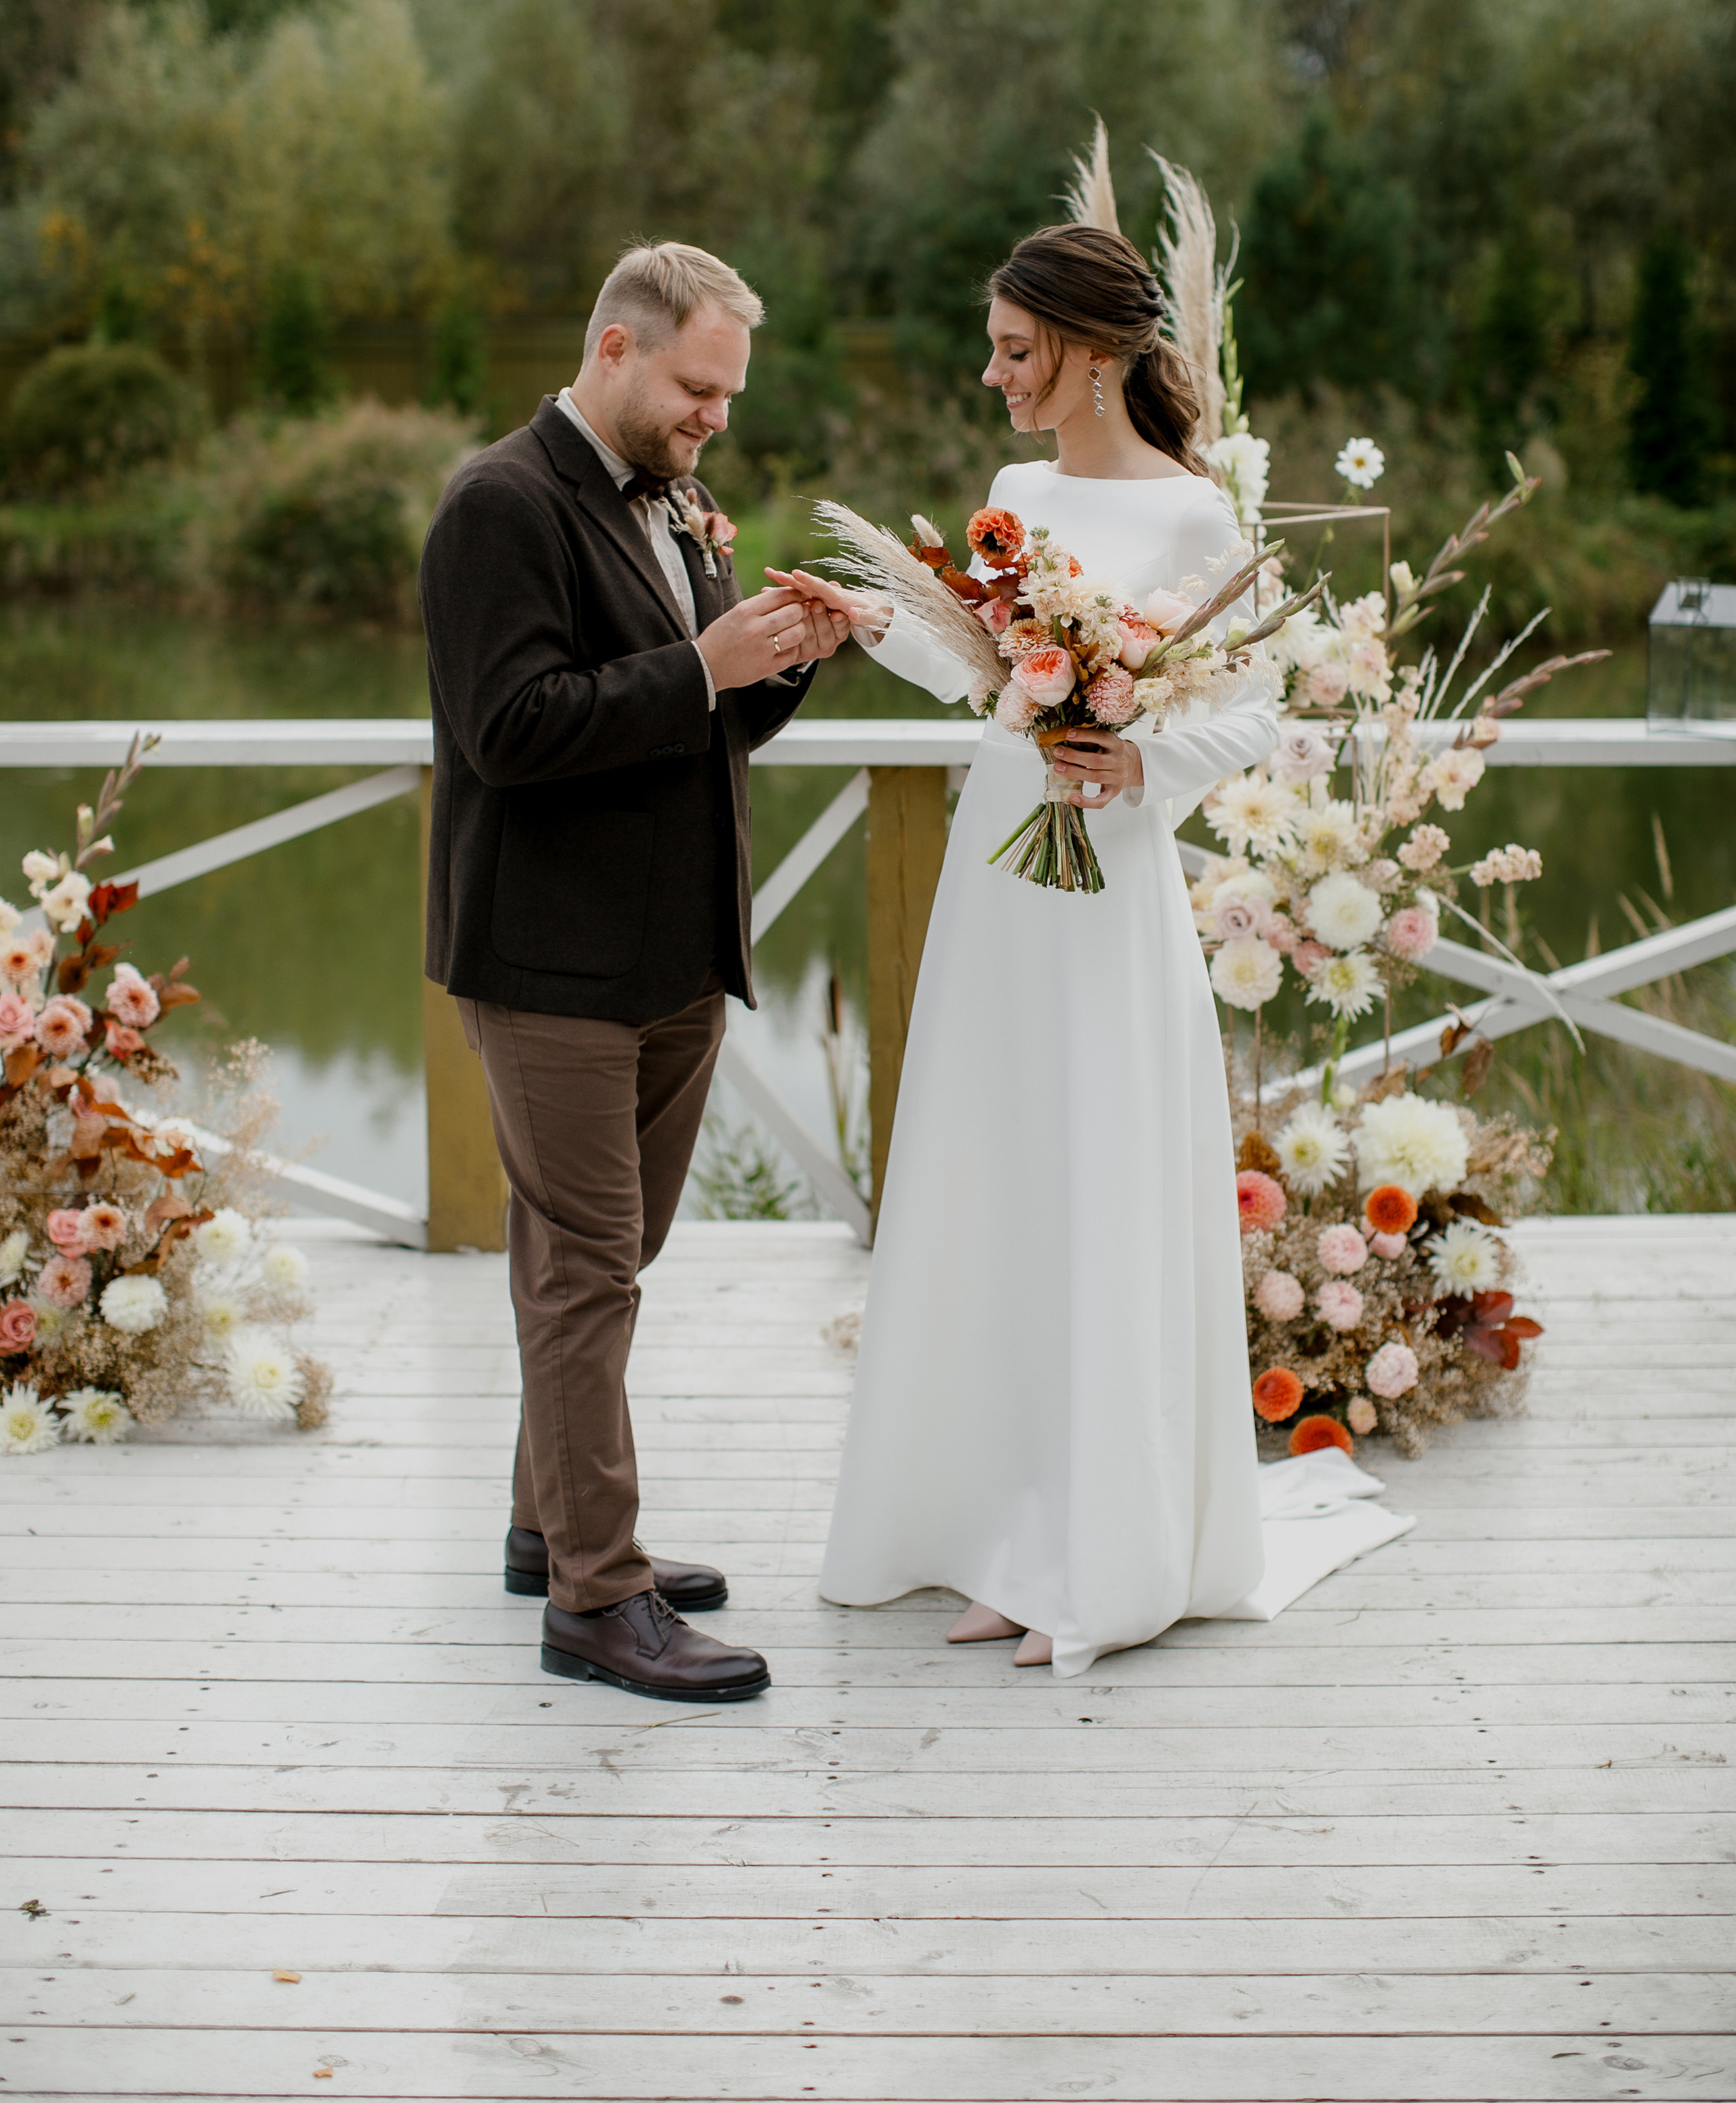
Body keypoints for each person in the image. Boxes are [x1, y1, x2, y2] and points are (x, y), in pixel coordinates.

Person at [786, 219, 1280, 1676]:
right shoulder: (1010, 490)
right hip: (1000, 869)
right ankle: (1000, 1528)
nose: (990, 374)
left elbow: (1258, 713)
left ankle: (1090, 1545)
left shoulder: (1195, 517)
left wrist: (1143, 764)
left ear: (1090, 354)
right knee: (997, 1179)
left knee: (1097, 1180)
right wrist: (872, 617)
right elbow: (980, 671)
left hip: (1106, 876)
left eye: (1013, 350)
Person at [418, 240, 850, 1705]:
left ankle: (551, 1527)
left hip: (672, 955)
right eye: (695, 385)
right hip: (549, 962)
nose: (715, 415)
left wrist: (785, 660)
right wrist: (704, 665)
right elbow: (511, 730)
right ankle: (597, 1600)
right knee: (587, 1273)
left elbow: (699, 726)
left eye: (727, 392)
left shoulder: (668, 499)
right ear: (614, 345)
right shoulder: (498, 504)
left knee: (606, 1256)